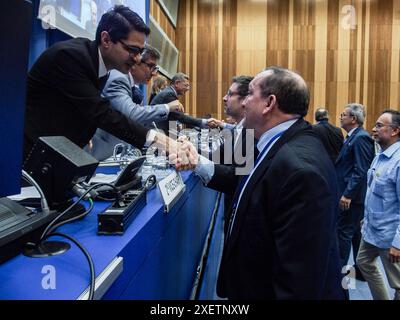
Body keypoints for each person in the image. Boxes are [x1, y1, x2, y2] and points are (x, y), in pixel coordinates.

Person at [173, 67, 345, 299]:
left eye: (250, 95)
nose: (244, 103)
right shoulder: (277, 142)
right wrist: (197, 162)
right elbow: (245, 182)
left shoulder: (301, 172)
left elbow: (297, 282)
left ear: (269, 103)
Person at [24, 5, 176, 161]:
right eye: (132, 50)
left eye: (140, 52)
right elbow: (101, 112)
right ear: (106, 40)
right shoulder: (70, 57)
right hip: (27, 156)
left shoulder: (100, 66)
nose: (137, 59)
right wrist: (157, 140)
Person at [88, 45, 183, 160]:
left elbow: (139, 122)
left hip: (118, 153)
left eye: (155, 68)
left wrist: (164, 139)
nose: (154, 73)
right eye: (151, 67)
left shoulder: (133, 87)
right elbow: (131, 114)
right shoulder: (118, 78)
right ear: (135, 63)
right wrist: (167, 107)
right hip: (99, 153)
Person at [193, 76, 255, 234]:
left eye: (230, 94)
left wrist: (194, 160)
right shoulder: (237, 129)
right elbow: (215, 157)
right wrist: (187, 149)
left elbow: (236, 180)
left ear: (245, 101)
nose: (224, 98)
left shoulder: (252, 133)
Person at [356, 109, 400, 300]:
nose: (373, 129)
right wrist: (366, 219)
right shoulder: (380, 155)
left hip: (390, 235)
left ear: (395, 131)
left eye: (380, 126)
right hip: (372, 230)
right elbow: (374, 193)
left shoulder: (398, 162)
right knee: (363, 261)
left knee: (398, 283)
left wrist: (397, 244)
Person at [335, 103, 375, 277]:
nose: (340, 117)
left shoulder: (361, 138)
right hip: (351, 196)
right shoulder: (352, 137)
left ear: (353, 119)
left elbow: (360, 169)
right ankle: (360, 272)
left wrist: (347, 194)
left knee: (344, 234)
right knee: (354, 233)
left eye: (343, 114)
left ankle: (340, 273)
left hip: (352, 197)